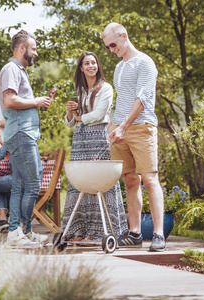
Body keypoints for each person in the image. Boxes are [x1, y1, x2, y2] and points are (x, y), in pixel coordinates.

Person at [102, 22, 165, 252]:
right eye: (107, 47)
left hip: (141, 127)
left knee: (149, 179)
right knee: (130, 180)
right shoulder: (119, 68)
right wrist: (113, 126)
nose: (110, 49)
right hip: (120, 128)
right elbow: (122, 100)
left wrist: (124, 127)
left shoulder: (145, 63)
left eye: (112, 44)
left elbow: (143, 98)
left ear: (123, 36)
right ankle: (135, 233)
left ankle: (158, 234)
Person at [62, 52, 128, 243]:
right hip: (80, 140)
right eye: (86, 63)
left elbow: (99, 115)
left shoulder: (105, 88)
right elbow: (69, 123)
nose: (91, 66)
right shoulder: (79, 90)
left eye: (93, 62)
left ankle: (103, 230)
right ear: (81, 68)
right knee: (80, 182)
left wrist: (79, 117)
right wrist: (69, 111)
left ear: (97, 66)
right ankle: (80, 230)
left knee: (101, 181)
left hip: (98, 137)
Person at [0, 29, 51, 248]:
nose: (35, 53)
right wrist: (36, 101)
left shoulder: (19, 69)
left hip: (21, 134)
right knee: (32, 183)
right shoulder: (12, 68)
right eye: (33, 49)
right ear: (22, 48)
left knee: (19, 186)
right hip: (21, 134)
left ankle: (21, 232)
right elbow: (10, 101)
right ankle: (18, 231)